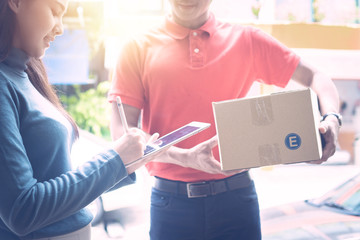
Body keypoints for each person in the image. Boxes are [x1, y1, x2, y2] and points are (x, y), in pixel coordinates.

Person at [108, 0, 341, 239]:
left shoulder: (247, 40)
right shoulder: (136, 47)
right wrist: (184, 158)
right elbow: (123, 134)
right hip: (171, 206)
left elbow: (317, 76)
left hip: (237, 202)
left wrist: (332, 117)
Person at [0, 0, 159, 239]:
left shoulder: (26, 75)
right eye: (54, 11)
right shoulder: (4, 84)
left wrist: (124, 164)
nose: (61, 27)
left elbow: (57, 178)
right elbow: (22, 210)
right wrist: (114, 161)